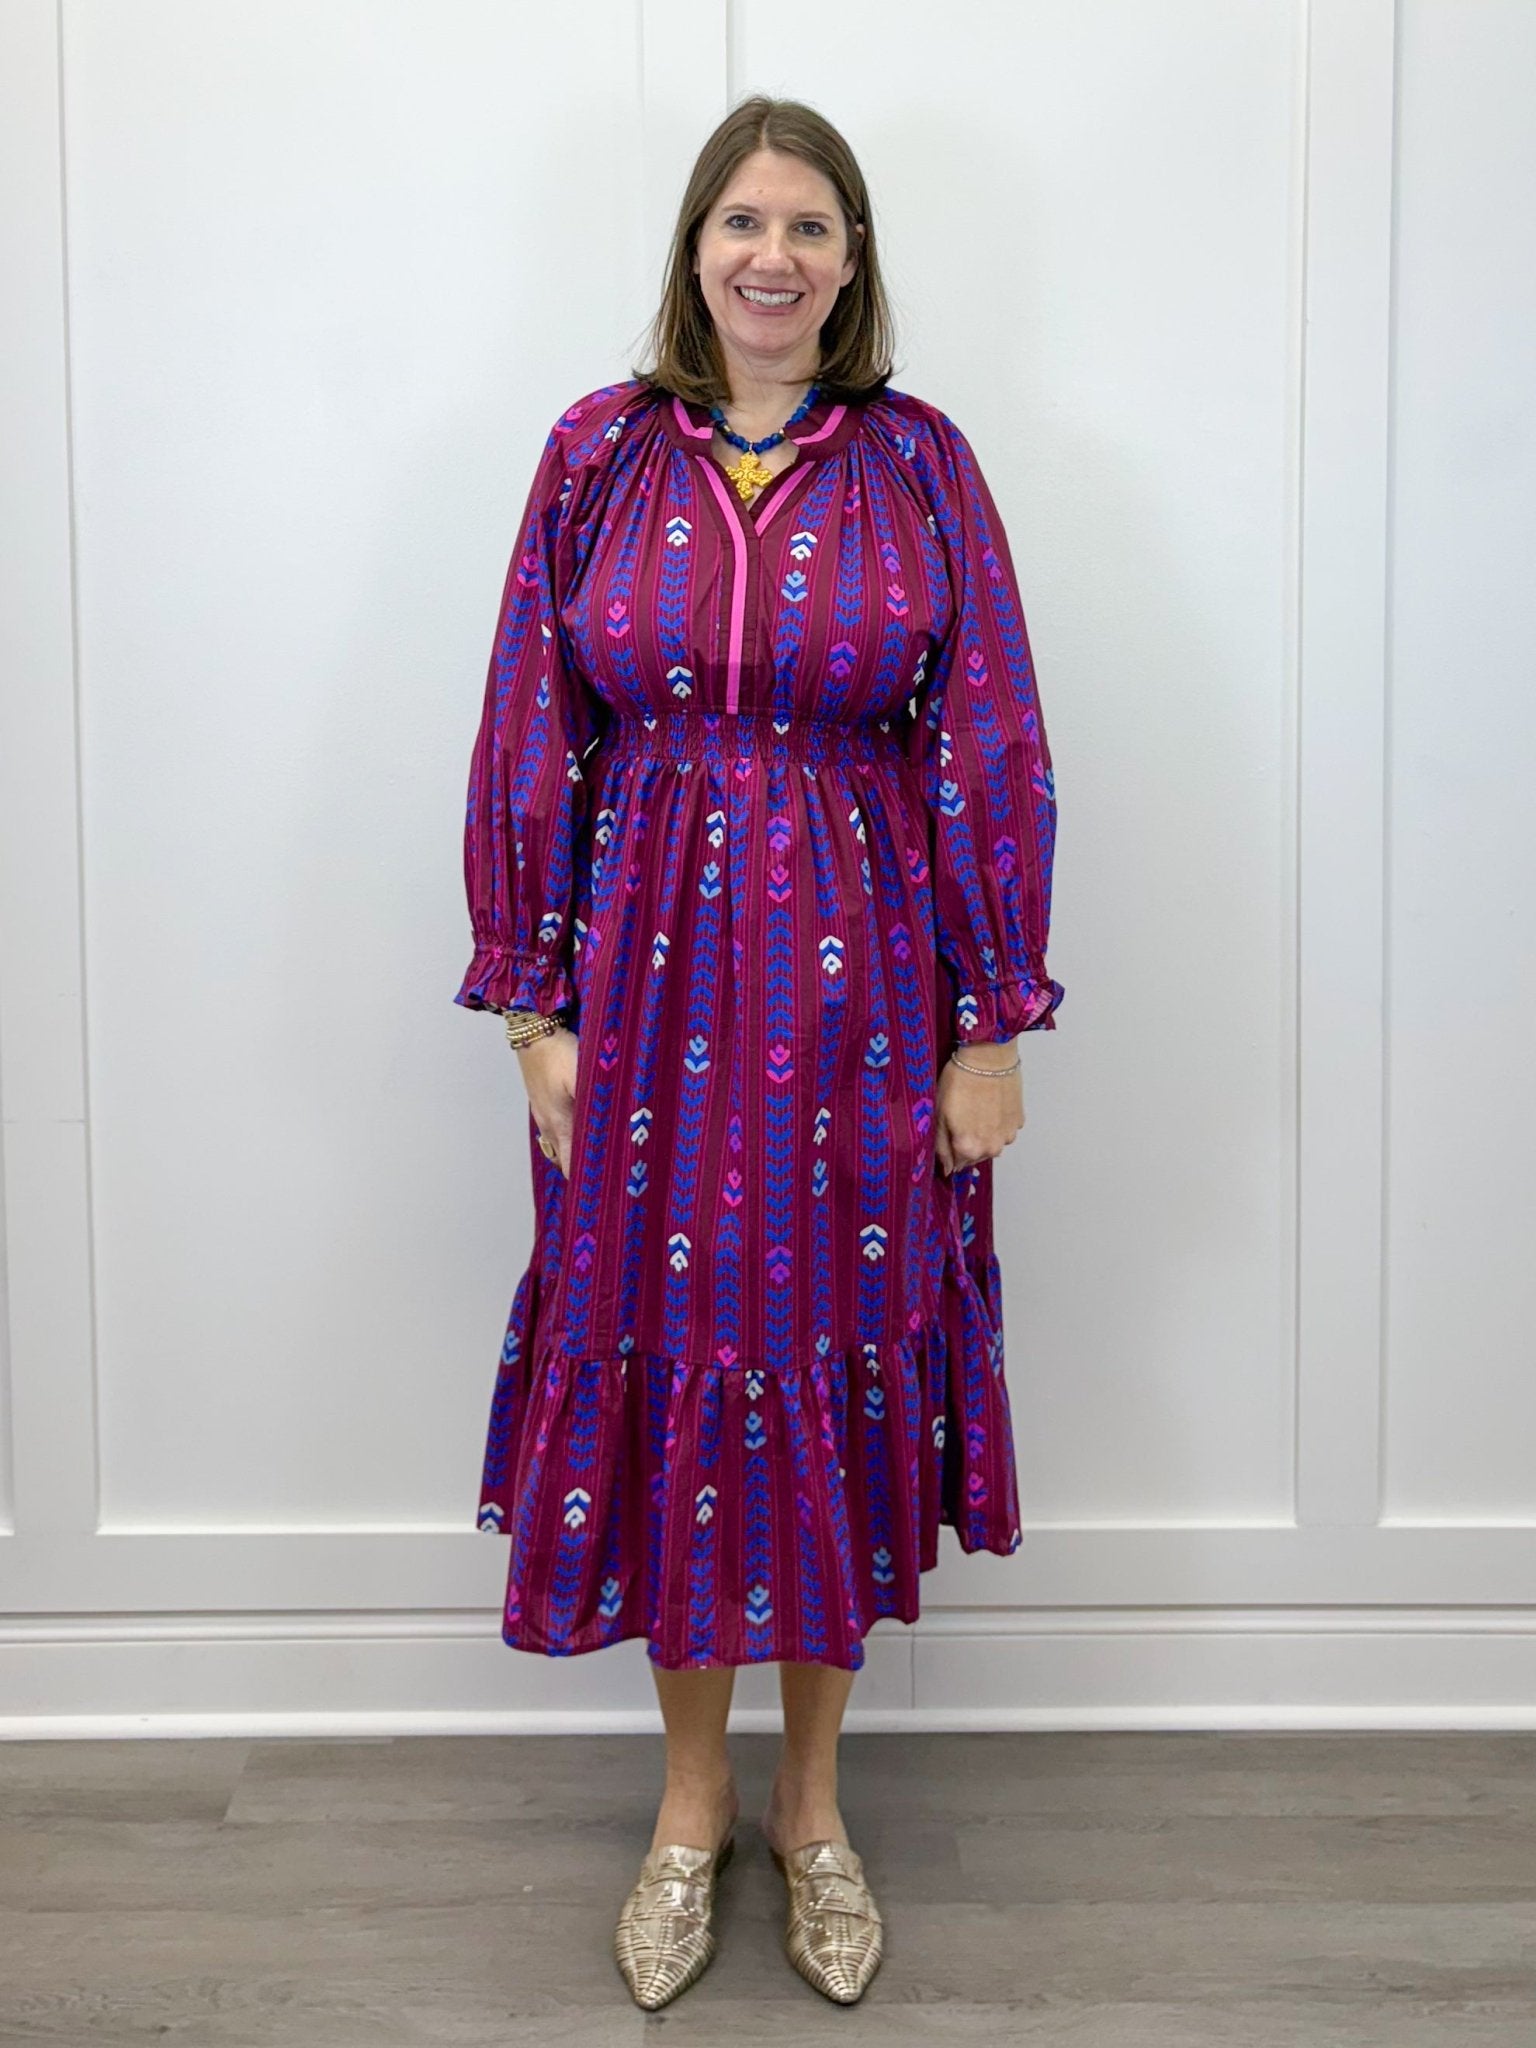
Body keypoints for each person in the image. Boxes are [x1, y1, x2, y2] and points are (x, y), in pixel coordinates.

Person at [453, 94, 1064, 2009]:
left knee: (831, 1351)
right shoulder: (596, 452)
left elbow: (987, 738)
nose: (773, 255)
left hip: (861, 992)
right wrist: (534, 1002)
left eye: (809, 224)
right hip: (645, 998)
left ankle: (811, 1810)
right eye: (743, 221)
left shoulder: (921, 463)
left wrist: (991, 1022)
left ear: (852, 257)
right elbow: (529, 725)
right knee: (671, 1354)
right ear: (696, 248)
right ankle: (687, 1806)